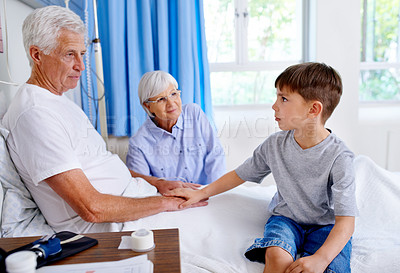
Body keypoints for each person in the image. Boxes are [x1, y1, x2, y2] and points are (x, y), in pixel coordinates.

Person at [2, 5, 206, 234]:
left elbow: (100, 163)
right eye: (70, 54)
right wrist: (166, 203)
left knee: (226, 202)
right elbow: (92, 209)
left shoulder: (59, 101)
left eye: (82, 54)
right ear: (37, 55)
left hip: (137, 198)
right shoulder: (34, 114)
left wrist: (157, 184)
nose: (80, 66)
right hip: (113, 225)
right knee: (218, 226)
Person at [167, 62, 358, 273]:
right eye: (277, 97)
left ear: (313, 109)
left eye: (284, 99)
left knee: (332, 268)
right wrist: (201, 193)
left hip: (325, 226)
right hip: (287, 220)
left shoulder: (340, 157)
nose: (274, 105)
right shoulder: (275, 145)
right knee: (277, 256)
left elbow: (346, 222)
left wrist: (320, 259)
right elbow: (240, 174)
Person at [126, 70, 226, 194]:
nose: (171, 103)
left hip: (207, 194)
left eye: (173, 94)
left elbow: (215, 155)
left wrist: (212, 193)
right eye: (161, 99)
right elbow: (140, 187)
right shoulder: (138, 143)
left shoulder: (194, 114)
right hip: (171, 203)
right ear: (147, 106)